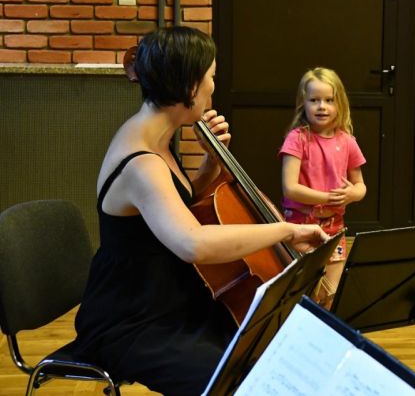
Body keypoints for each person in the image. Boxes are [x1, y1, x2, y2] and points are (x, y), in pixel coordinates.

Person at [72, 26, 328, 395]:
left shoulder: (155, 135)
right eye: (210, 77)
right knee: (237, 377)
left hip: (167, 297)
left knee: (257, 345)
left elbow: (179, 203)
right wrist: (286, 230)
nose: (212, 87)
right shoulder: (141, 162)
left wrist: (211, 163)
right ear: (189, 85)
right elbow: (193, 244)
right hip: (132, 320)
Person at [279, 67, 366, 309]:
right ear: (303, 103)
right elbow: (290, 188)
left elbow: (361, 186)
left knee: (330, 294)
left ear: (340, 104)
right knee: (299, 292)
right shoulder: (297, 138)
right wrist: (329, 198)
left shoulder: (347, 141)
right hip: (300, 228)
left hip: (334, 229)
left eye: (329, 100)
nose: (322, 106)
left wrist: (352, 194)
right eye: (314, 100)